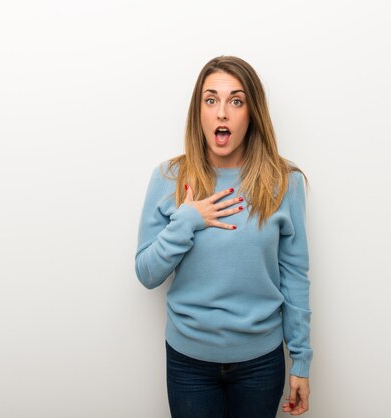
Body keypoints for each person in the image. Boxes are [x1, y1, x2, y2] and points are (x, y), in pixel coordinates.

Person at [135, 55, 312, 417]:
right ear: (198, 111)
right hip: (188, 363)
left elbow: (295, 276)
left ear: (252, 112)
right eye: (211, 99)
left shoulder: (284, 182)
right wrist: (186, 221)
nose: (222, 113)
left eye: (236, 101)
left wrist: (301, 360)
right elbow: (146, 273)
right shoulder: (169, 177)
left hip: (260, 364)